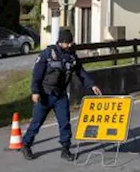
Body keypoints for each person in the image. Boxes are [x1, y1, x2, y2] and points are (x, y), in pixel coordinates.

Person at [21, 28, 101, 160]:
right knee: (37, 122)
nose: (70, 45)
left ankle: (65, 149)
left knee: (65, 123)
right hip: (45, 94)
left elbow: (81, 72)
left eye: (71, 42)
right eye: (68, 43)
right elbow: (36, 74)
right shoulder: (48, 54)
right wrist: (35, 92)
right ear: (61, 41)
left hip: (60, 95)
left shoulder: (71, 56)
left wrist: (91, 85)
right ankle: (26, 144)